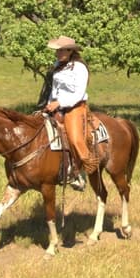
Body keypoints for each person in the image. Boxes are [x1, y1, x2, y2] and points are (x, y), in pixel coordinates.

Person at [39, 36, 96, 191]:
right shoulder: (57, 65)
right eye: (57, 50)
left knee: (75, 138)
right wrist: (49, 104)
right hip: (56, 106)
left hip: (74, 107)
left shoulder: (79, 68)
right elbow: (54, 89)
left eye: (61, 50)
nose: (57, 53)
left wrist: (60, 103)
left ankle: (82, 170)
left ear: (70, 51)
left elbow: (79, 92)